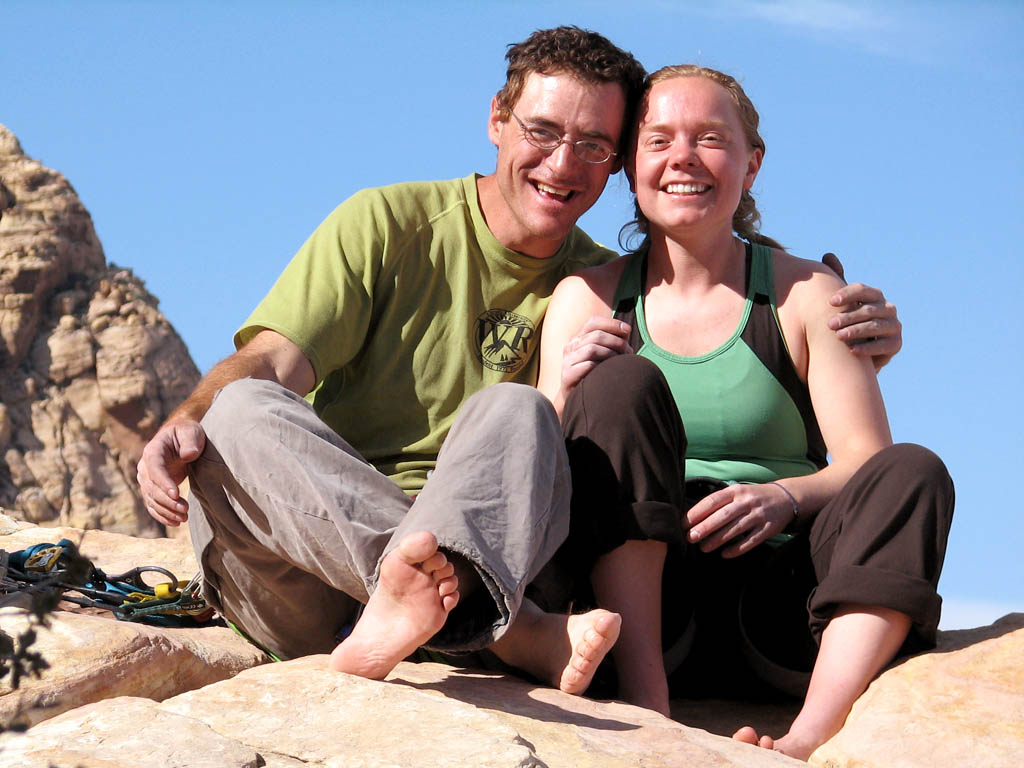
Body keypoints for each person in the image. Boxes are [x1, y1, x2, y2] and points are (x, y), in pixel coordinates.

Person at [136, 27, 903, 698]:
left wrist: (853, 330)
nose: (563, 162)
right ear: (497, 121)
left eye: (594, 145)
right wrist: (185, 420)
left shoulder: (602, 287)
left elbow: (718, 303)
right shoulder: (387, 224)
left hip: (488, 565)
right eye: (541, 130)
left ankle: (440, 600)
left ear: (614, 166)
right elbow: (271, 358)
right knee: (238, 410)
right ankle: (501, 629)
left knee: (519, 407)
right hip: (310, 575)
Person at [536, 64, 952, 760]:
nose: (684, 159)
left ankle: (807, 735)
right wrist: (564, 397)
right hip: (649, 617)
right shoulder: (588, 296)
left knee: (916, 470)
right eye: (660, 139)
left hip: (782, 610)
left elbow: (867, 462)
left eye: (710, 138)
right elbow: (536, 463)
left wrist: (786, 497)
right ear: (632, 163)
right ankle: (649, 711)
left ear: (751, 162)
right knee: (618, 385)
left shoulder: (806, 294)